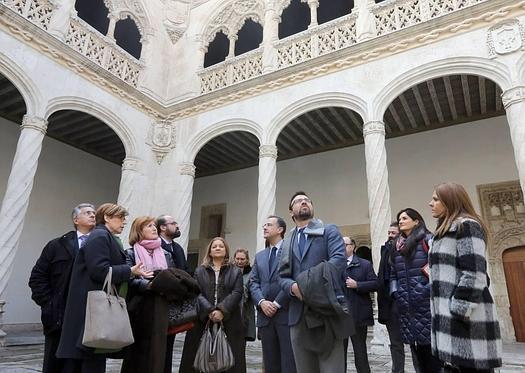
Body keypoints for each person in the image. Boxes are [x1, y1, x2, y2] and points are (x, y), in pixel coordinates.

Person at [56, 203, 152, 373]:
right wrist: (130, 271)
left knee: (91, 358)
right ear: (107, 218)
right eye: (120, 218)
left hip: (94, 308)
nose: (123, 223)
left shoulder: (103, 236)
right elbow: (99, 270)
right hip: (92, 309)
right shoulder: (100, 236)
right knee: (90, 360)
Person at [429, 182, 502, 373]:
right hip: (450, 321)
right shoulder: (444, 231)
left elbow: (475, 273)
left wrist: (458, 310)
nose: (430, 203)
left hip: (466, 320)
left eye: (436, 199)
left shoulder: (467, 226)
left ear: (450, 201)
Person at [279, 191, 349, 373]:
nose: (303, 202)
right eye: (298, 201)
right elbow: (282, 277)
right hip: (298, 313)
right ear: (291, 212)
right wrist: (294, 288)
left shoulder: (329, 231)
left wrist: (306, 286)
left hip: (325, 310)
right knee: (304, 369)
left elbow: (338, 261)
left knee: (331, 368)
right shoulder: (286, 242)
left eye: (307, 200)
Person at [121, 216, 194, 373]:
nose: (154, 228)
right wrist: (148, 284)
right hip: (140, 307)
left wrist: (166, 284)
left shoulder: (166, 254)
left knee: (164, 350)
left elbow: (174, 276)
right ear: (139, 231)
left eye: (154, 225)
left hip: (163, 306)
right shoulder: (130, 253)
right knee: (139, 351)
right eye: (149, 226)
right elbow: (129, 278)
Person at [28, 203, 96, 373]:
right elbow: (37, 277)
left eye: (94, 213)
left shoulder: (102, 244)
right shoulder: (57, 245)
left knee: (85, 364)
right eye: (88, 213)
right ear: (76, 219)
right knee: (56, 362)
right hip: (59, 314)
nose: (93, 215)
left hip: (89, 314)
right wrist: (49, 304)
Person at [179, 237, 246, 373]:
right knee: (197, 358)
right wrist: (209, 310)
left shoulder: (235, 271)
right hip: (203, 319)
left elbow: (237, 292)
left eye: (221, 246)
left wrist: (222, 310)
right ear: (209, 251)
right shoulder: (200, 271)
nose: (217, 248)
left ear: (226, 250)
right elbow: (196, 293)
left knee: (231, 359)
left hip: (230, 319)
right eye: (214, 246)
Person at [389, 208, 441, 373]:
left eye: (404, 218)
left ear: (417, 221)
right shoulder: (396, 246)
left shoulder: (428, 239)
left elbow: (438, 270)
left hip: (427, 304)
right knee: (416, 352)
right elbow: (393, 274)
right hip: (407, 306)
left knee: (433, 354)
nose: (401, 221)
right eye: (399, 219)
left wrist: (425, 290)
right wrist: (396, 293)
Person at [250, 216, 296, 373]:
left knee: (289, 363)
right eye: (264, 225)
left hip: (285, 314)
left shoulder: (291, 251)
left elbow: (293, 279)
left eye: (269, 225)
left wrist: (276, 304)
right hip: (265, 317)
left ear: (280, 230)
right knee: (270, 363)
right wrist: (262, 302)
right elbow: (253, 282)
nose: (265, 227)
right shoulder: (260, 256)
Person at [156, 215, 190, 371]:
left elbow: (184, 271)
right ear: (163, 227)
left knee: (169, 344)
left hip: (174, 303)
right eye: (173, 223)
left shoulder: (178, 249)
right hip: (158, 300)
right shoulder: (155, 245)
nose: (177, 226)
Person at [342, 236, 378, 373]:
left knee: (360, 352)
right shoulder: (335, 264)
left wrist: (357, 285)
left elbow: (375, 284)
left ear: (353, 246)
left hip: (358, 314)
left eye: (345, 244)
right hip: (341, 316)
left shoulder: (365, 264)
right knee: (340, 354)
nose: (342, 247)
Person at [377, 222, 405, 373]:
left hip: (403, 301)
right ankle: (398, 370)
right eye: (389, 233)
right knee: (395, 342)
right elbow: (382, 278)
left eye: (393, 233)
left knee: (416, 343)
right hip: (389, 303)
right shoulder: (386, 251)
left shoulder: (404, 250)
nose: (389, 236)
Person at [234, 248, 256, 342]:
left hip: (245, 312)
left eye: (242, 259)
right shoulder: (229, 272)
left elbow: (253, 290)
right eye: (237, 258)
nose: (240, 261)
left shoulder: (252, 274)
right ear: (234, 258)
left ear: (247, 260)